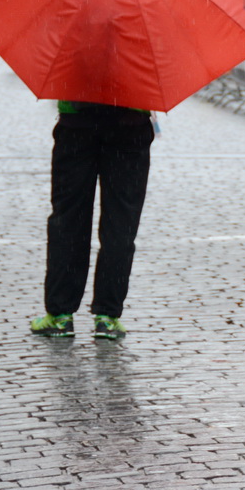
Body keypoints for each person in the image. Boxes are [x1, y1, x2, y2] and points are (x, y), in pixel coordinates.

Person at [27, 101, 154, 341]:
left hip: (77, 121)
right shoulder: (143, 61)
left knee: (68, 221)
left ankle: (60, 315)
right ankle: (107, 317)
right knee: (121, 224)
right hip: (130, 125)